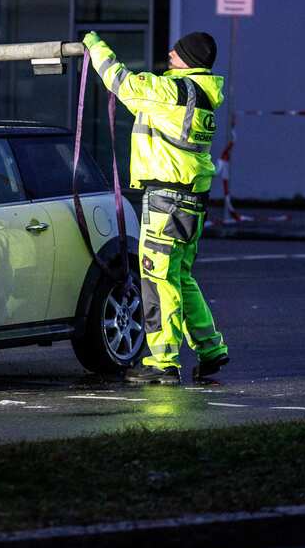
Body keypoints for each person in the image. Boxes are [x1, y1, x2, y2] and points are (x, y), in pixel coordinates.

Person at [82, 30, 228, 384]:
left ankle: (163, 362)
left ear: (188, 59)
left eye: (176, 52)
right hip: (193, 200)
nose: (169, 53)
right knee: (181, 277)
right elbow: (141, 102)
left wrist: (93, 44)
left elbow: (122, 82)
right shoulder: (197, 95)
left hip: (165, 199)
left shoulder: (170, 90)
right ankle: (210, 349)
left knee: (158, 278)